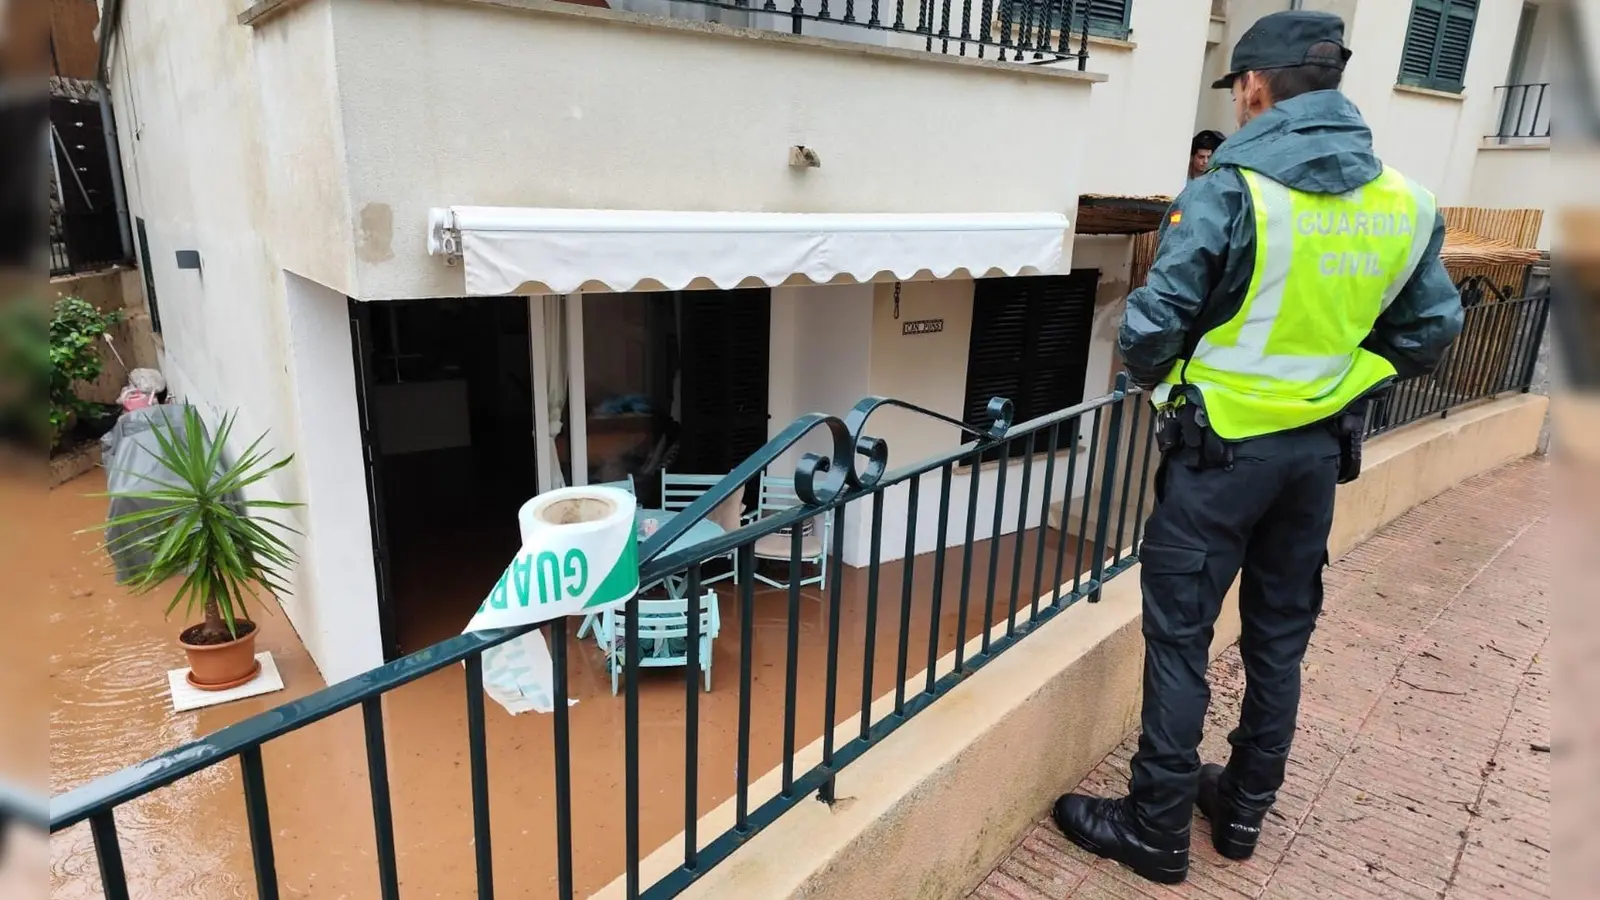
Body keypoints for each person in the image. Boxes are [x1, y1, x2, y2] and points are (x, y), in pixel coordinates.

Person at [1051, 10, 1463, 885]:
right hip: (1315, 459)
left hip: (1220, 457)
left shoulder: (1230, 187)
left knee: (1180, 644)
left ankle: (1155, 828)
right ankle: (1241, 812)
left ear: (1253, 86)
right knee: (1279, 640)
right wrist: (1339, 383)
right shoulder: (1406, 200)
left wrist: (1173, 387)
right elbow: (1428, 335)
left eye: (1237, 90)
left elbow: (1150, 330)